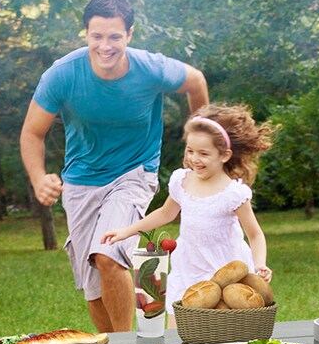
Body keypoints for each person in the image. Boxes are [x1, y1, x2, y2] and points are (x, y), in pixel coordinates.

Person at [21, 0, 209, 332]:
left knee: (108, 256)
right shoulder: (62, 74)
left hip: (134, 173)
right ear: (86, 35)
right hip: (80, 180)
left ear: (130, 35)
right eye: (97, 36)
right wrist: (38, 178)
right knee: (93, 285)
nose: (105, 46)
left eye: (114, 37)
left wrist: (198, 137)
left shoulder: (149, 68)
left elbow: (195, 81)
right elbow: (32, 133)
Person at [100, 104, 273, 309]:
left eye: (203, 153)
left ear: (224, 155)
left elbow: (255, 234)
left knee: (219, 330)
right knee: (178, 328)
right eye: (190, 150)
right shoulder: (182, 181)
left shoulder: (232, 194)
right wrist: (126, 231)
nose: (194, 159)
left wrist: (259, 263)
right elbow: (165, 214)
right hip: (188, 266)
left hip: (224, 268)